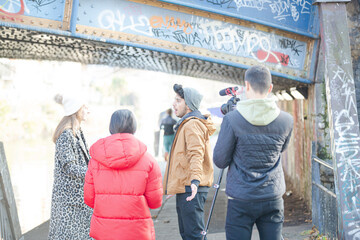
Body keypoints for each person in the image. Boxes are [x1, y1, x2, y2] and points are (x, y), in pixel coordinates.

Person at [213, 65, 294, 240]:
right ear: (270, 88)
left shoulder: (232, 119)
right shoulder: (286, 120)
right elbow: (282, 149)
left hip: (241, 198)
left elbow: (220, 160)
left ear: (246, 86)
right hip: (272, 196)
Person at [84, 109, 163, 240]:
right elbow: (155, 201)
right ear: (134, 127)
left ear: (111, 127)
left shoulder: (95, 161)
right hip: (137, 230)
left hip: (104, 230)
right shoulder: (149, 160)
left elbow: (89, 198)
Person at [163, 84, 216, 240]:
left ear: (189, 104)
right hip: (187, 186)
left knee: (193, 235)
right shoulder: (187, 124)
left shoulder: (192, 124)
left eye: (178, 100)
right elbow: (183, 158)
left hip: (192, 188)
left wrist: (194, 181)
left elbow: (196, 154)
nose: (174, 104)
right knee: (189, 235)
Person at [48, 93, 92, 240]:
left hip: (77, 198)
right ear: (77, 109)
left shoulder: (77, 131)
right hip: (68, 200)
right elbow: (69, 167)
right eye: (85, 107)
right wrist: (93, 174)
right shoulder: (66, 134)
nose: (88, 110)